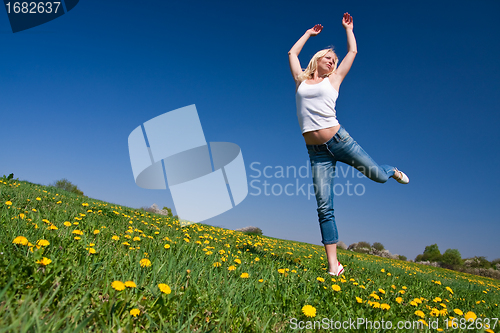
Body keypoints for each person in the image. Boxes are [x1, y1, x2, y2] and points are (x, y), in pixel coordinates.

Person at [288, 13, 409, 276]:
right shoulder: (301, 80)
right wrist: (308, 34)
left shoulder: (334, 80)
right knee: (324, 206)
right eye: (328, 57)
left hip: (341, 141)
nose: (332, 61)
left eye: (334, 60)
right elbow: (291, 54)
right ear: (317, 59)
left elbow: (352, 51)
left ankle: (392, 170)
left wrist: (348, 29)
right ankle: (334, 265)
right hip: (316, 153)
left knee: (378, 176)